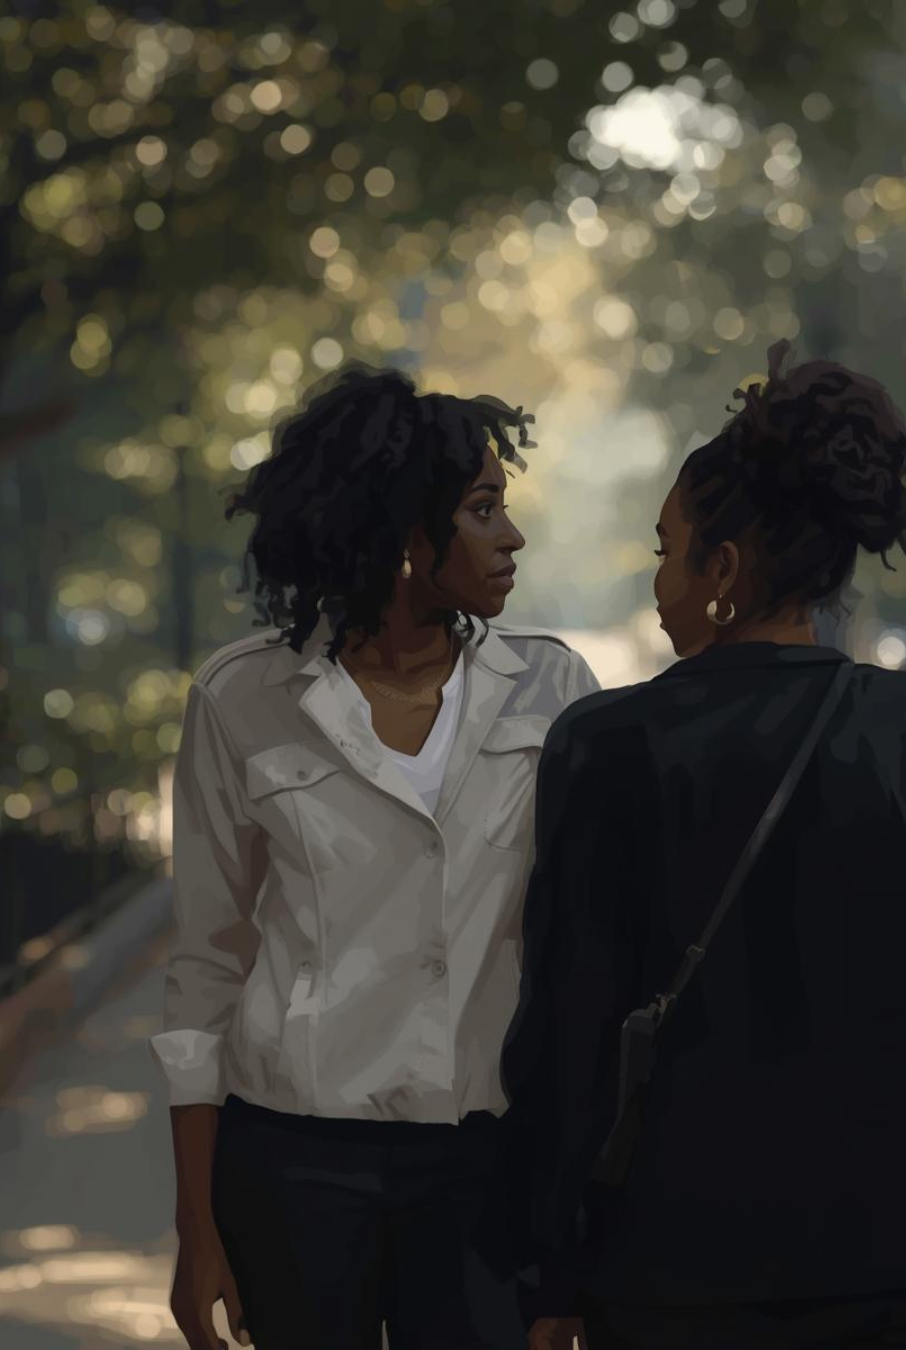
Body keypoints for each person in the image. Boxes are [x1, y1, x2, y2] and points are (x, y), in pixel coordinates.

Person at [493, 339, 906, 1350]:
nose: (658, 578)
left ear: (724, 569)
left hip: (674, 1276)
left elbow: (565, 1035)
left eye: (667, 549)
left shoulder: (608, 747)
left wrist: (551, 1267)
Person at [149, 361, 600, 1350]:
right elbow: (206, 965)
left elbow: (586, 963)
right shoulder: (242, 696)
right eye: (484, 508)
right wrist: (196, 1227)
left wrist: (574, 1232)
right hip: (296, 1161)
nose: (512, 535)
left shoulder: (553, 690)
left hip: (486, 1164)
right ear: (406, 532)